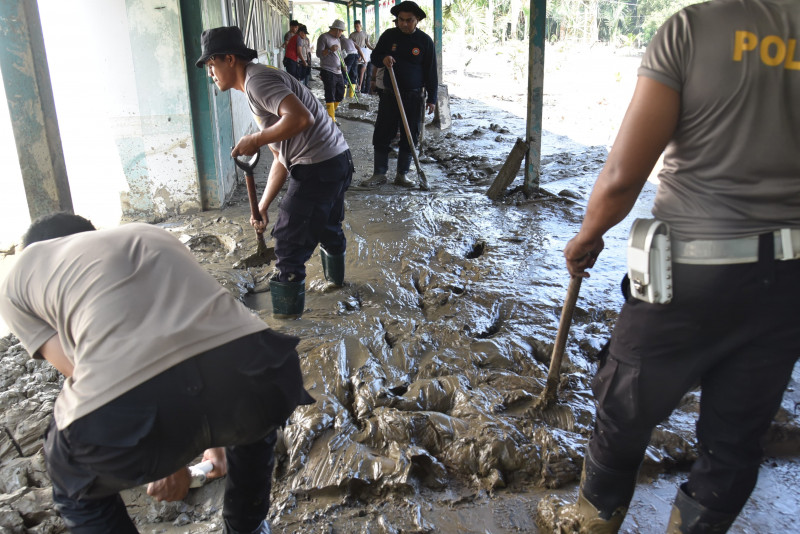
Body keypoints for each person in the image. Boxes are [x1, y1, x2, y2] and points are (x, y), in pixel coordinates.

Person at [551, 1, 800, 532]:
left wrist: (587, 235)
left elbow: (622, 176)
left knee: (624, 404)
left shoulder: (692, 29)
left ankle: (592, 519)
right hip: (788, 283)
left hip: (689, 271)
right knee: (736, 440)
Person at [0, 212, 315, 534]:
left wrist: (167, 462)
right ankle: (248, 527)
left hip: (142, 404)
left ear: (34, 249)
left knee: (73, 480)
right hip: (266, 370)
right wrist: (219, 440)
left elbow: (80, 370)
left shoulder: (18, 277)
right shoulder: (145, 234)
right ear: (92, 232)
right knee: (254, 409)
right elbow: (202, 340)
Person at [197, 26, 352, 318]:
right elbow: (282, 159)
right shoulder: (258, 83)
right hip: (337, 160)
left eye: (211, 64)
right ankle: (337, 286)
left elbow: (301, 118)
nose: (210, 73)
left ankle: (289, 326)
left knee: (288, 242)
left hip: (317, 166)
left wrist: (254, 139)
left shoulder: (257, 82)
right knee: (327, 226)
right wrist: (264, 205)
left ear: (230, 59)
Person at [360, 1, 437, 189]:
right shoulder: (389, 36)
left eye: (408, 20)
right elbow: (375, 57)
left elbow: (431, 71)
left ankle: (402, 174)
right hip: (389, 95)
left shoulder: (425, 41)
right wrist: (383, 58)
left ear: (417, 20)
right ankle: (379, 173)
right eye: (400, 20)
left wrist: (432, 99)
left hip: (413, 97)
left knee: (410, 134)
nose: (404, 24)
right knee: (382, 132)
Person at [316, 19, 347, 122]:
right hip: (327, 70)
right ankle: (331, 119)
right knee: (330, 94)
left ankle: (330, 114)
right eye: (341, 31)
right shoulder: (324, 37)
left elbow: (340, 55)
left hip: (338, 71)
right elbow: (318, 54)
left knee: (340, 93)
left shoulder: (338, 40)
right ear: (337, 30)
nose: (342, 33)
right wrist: (329, 50)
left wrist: (344, 65)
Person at [349, 20, 374, 93]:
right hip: (356, 53)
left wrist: (373, 49)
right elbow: (351, 45)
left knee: (363, 71)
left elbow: (367, 44)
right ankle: (358, 87)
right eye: (355, 26)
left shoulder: (364, 34)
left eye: (358, 26)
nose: (357, 28)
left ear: (360, 26)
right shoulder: (352, 35)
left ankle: (362, 88)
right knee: (356, 72)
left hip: (364, 53)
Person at [339, 33, 365, 97]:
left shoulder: (339, 41)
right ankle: (351, 96)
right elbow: (358, 48)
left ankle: (343, 97)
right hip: (355, 55)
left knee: (344, 74)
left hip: (349, 56)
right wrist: (364, 59)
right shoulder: (350, 40)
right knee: (353, 75)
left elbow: (339, 53)